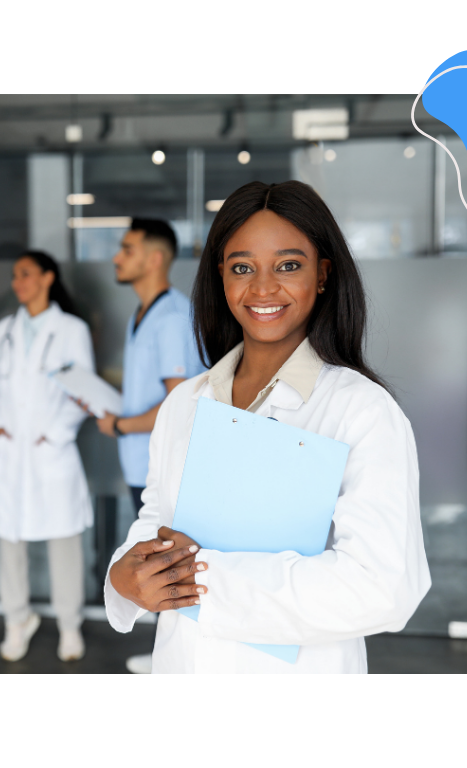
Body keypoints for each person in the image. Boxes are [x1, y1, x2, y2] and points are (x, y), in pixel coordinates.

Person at [104, 181, 431, 673]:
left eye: (288, 265)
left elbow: (383, 587)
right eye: (242, 267)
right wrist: (123, 577)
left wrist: (201, 578)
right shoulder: (183, 404)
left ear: (322, 274)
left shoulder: (361, 411)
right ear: (221, 277)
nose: (262, 288)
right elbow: (156, 519)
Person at [95, 218, 205, 674]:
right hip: (141, 463)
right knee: (153, 563)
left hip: (167, 467)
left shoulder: (173, 317)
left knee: (173, 564)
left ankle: (179, 653)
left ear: (155, 257)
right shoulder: (142, 313)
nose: (117, 257)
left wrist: (121, 424)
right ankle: (167, 649)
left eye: (126, 248)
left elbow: (178, 404)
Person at [0, 251, 94, 663]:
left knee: (64, 541)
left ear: (47, 278)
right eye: (14, 275)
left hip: (49, 450)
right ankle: (17, 620)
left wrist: (56, 434)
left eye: (25, 274)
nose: (16, 282)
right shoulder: (5, 330)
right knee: (10, 540)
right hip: (10, 452)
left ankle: (69, 624)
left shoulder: (70, 329)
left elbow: (83, 392)